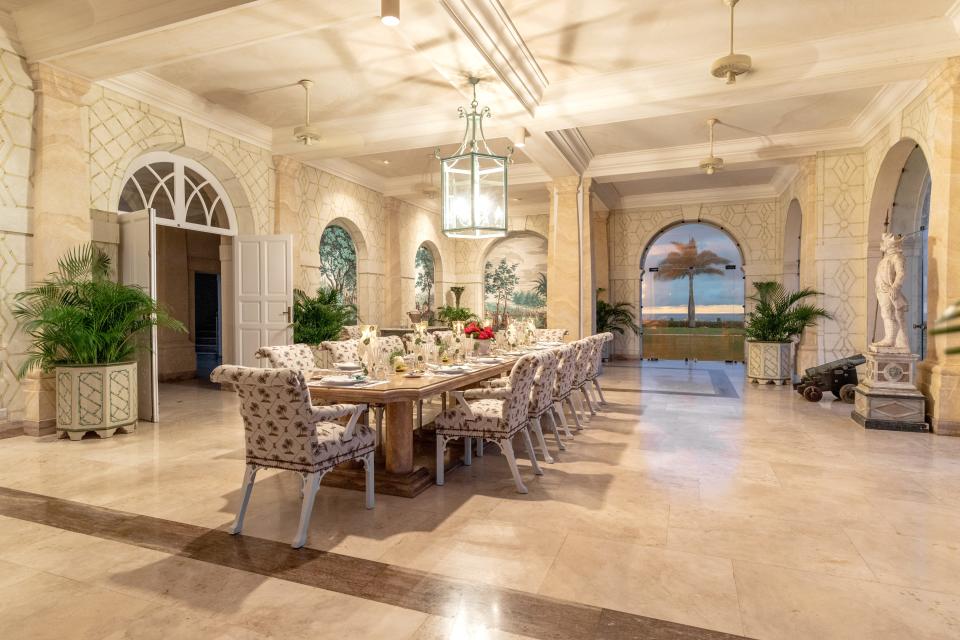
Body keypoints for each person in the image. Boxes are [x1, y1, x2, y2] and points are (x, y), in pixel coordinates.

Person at [871, 232, 910, 351]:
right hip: (881, 291)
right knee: (886, 314)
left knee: (889, 315)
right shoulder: (886, 258)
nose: (883, 244)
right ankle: (889, 338)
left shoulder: (897, 257)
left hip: (889, 290)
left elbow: (901, 273)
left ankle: (890, 340)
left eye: (885, 242)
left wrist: (895, 287)